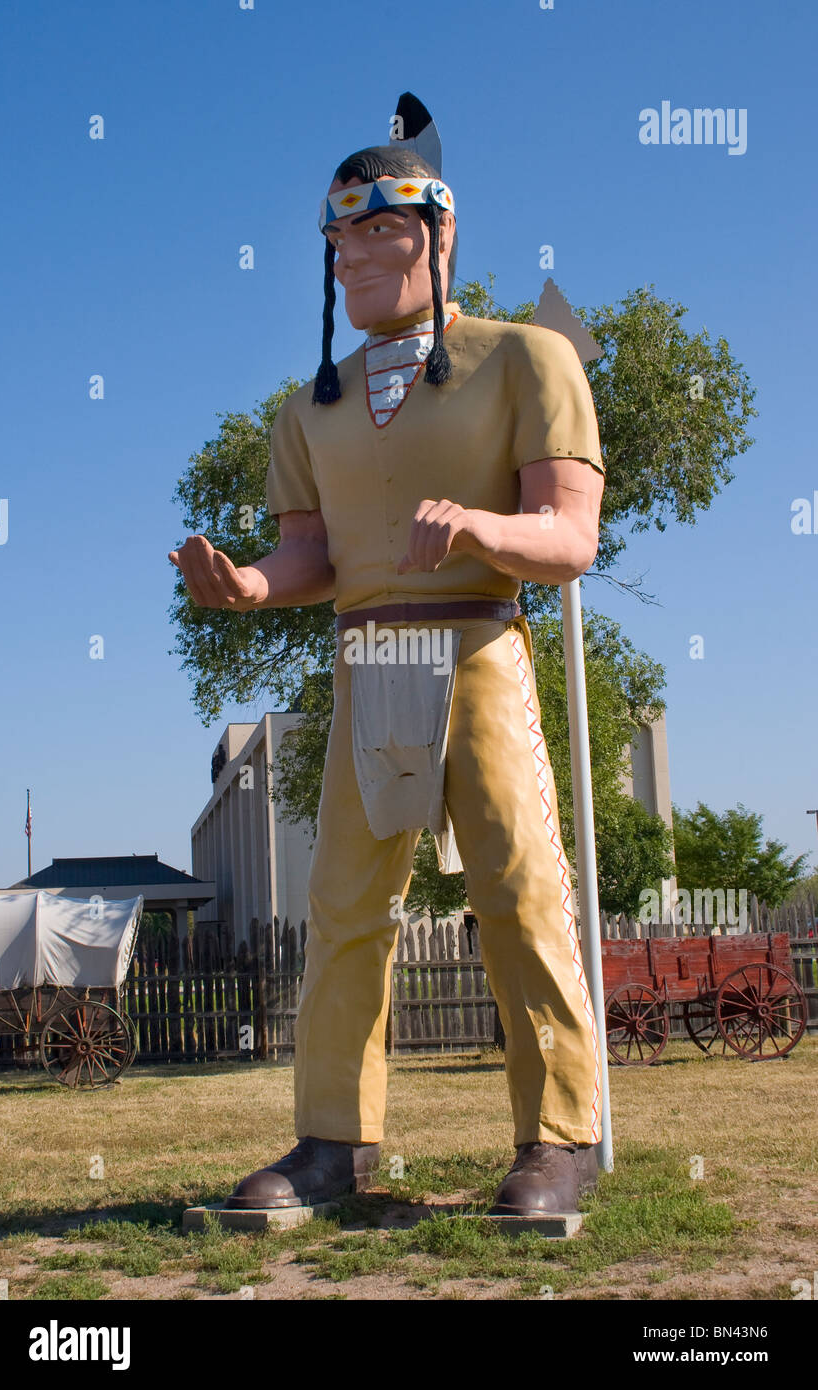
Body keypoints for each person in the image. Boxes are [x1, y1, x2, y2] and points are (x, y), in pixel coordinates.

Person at [169, 97, 606, 1215]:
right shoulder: (303, 409)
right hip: (365, 662)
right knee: (345, 901)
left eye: (383, 226)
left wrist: (480, 529)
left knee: (517, 890)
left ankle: (558, 1138)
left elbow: (567, 538)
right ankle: (331, 1143)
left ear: (440, 231)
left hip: (478, 646)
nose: (359, 251)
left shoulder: (527, 360)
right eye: (342, 234)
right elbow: (309, 553)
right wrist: (252, 585)